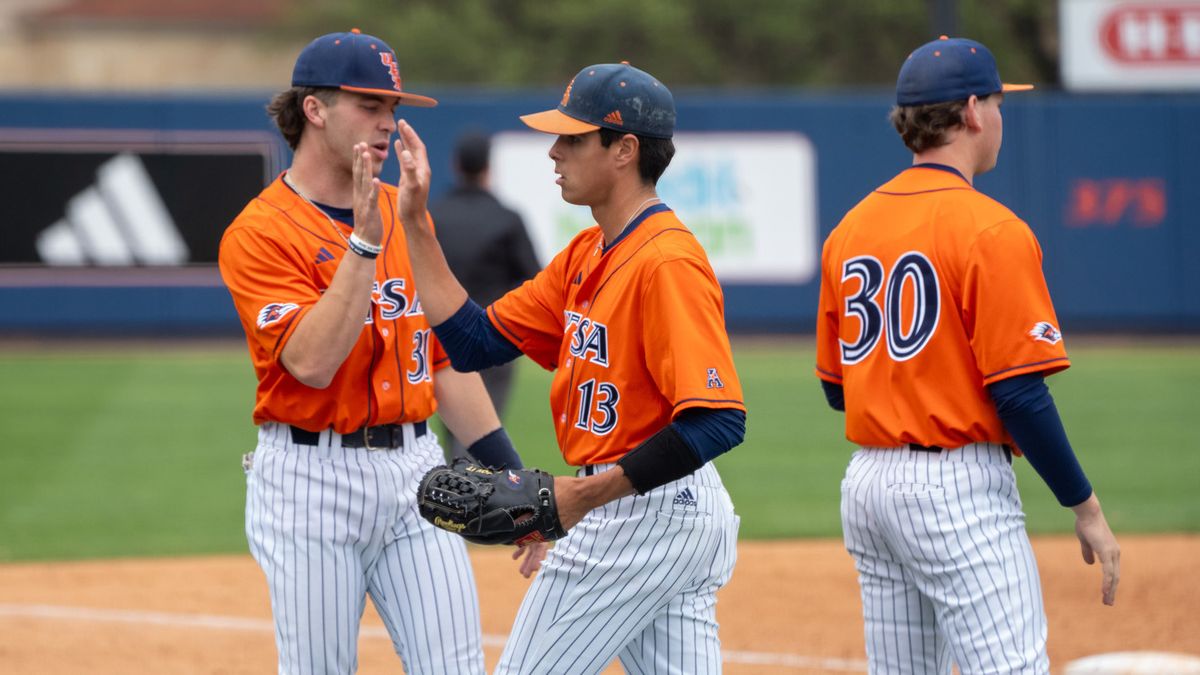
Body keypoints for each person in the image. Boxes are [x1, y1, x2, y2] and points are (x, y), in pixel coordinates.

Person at [394, 63, 747, 673]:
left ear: (624, 150)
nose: (553, 151)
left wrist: (578, 497)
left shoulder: (666, 262)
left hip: (641, 513)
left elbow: (717, 422)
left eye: (574, 138)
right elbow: (474, 341)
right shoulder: (587, 253)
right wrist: (417, 225)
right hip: (648, 509)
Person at [218, 29, 542, 674]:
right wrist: (362, 249)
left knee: (455, 667)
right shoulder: (259, 232)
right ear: (314, 109)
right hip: (311, 480)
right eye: (370, 105)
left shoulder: (405, 212)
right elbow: (311, 363)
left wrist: (512, 478)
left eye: (392, 108)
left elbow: (441, 360)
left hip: (417, 468)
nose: (388, 122)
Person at [814, 36, 1121, 674]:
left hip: (869, 485)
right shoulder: (992, 229)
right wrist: (1084, 505)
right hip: (954, 489)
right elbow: (1019, 394)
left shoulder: (850, 229)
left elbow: (838, 388)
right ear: (974, 111)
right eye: (1000, 104)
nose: (1001, 118)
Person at [428, 131, 541, 457]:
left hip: (440, 335)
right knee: (483, 430)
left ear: (455, 165)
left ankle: (456, 492)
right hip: (494, 334)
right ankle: (469, 499)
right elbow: (534, 280)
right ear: (488, 167)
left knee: (455, 431)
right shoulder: (506, 218)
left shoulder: (433, 216)